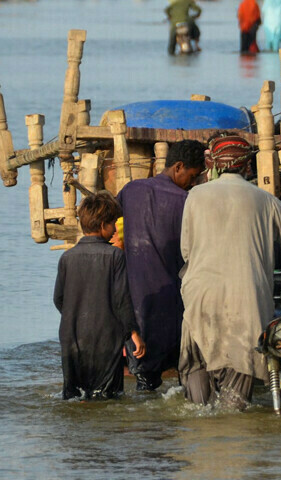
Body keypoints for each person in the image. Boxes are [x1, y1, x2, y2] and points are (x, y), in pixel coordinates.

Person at [178, 134, 281, 409]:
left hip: (200, 295)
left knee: (197, 370)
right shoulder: (263, 199)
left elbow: (186, 250)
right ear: (247, 167)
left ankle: (199, 423)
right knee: (238, 379)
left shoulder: (195, 196)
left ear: (216, 165)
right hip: (246, 300)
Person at [116, 140, 207, 391]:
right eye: (192, 175)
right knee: (184, 373)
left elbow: (112, 222)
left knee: (145, 380)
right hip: (172, 300)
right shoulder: (186, 202)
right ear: (178, 167)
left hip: (136, 301)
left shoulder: (131, 190)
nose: (193, 181)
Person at [53, 192, 146, 400]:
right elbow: (121, 299)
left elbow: (58, 299)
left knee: (74, 397)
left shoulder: (67, 257)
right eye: (113, 223)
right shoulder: (115, 256)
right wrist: (134, 334)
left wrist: (76, 317)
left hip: (72, 337)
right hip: (106, 339)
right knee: (107, 398)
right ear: (103, 225)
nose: (114, 229)